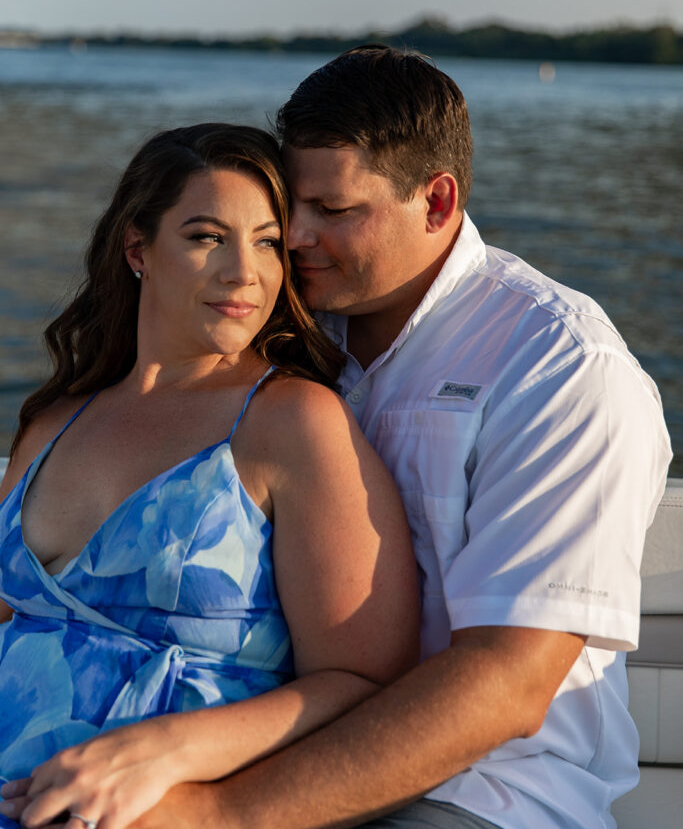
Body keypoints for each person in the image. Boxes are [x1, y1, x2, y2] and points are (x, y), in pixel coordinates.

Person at [117, 46, 670, 829]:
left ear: (436, 202)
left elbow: (505, 684)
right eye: (290, 209)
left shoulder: (557, 367)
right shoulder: (281, 331)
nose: (296, 238)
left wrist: (216, 815)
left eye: (334, 212)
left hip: (477, 792)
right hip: (261, 745)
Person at [0, 122, 419, 829]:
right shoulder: (54, 423)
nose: (243, 273)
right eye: (205, 237)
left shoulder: (290, 423)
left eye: (265, 241)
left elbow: (365, 680)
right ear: (139, 249)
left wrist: (169, 752)